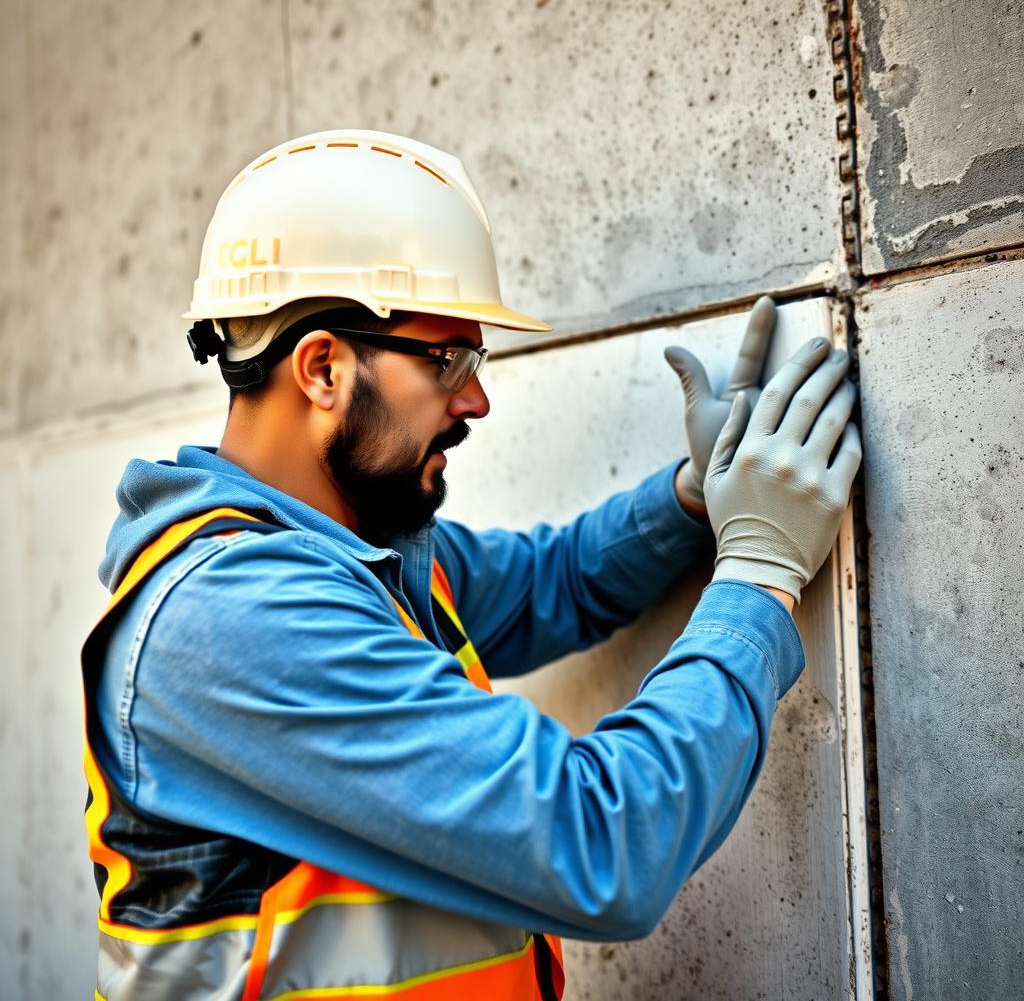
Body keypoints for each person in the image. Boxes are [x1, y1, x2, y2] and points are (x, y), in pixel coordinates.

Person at [81, 130, 861, 1001]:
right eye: (448, 358)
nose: (477, 398)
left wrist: (691, 498)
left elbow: (550, 584)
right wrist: (758, 575)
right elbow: (599, 845)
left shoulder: (346, 553)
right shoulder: (237, 615)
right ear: (323, 368)